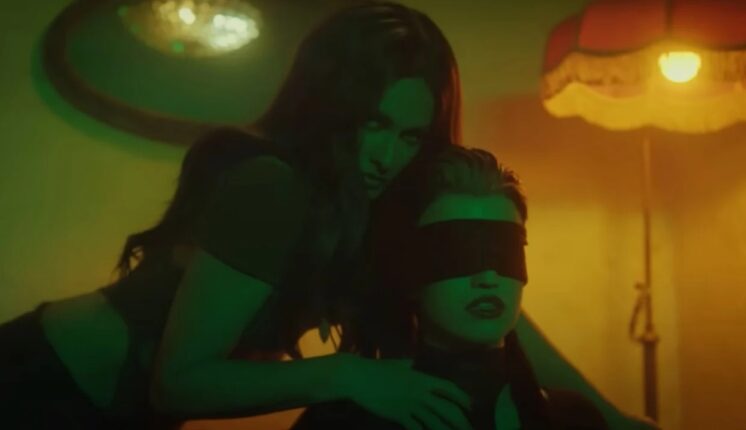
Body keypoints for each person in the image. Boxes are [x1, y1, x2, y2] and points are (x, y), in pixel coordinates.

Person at [0, 1, 655, 429]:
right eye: (373, 123)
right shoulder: (273, 185)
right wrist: (347, 373)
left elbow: (500, 308)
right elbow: (177, 382)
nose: (386, 156)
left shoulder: (372, 208)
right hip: (37, 381)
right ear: (331, 106)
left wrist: (611, 416)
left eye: (410, 136)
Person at [292, 146, 609, 429]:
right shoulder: (343, 422)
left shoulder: (575, 420)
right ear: (411, 271)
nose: (487, 277)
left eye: (505, 251)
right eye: (457, 253)